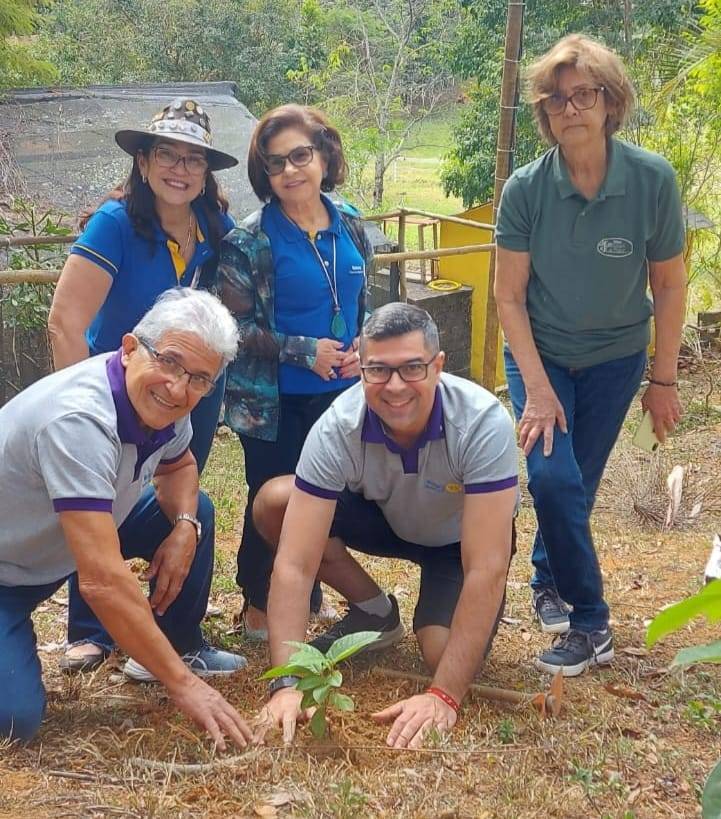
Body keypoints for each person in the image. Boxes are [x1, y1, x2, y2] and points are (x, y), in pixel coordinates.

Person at [494, 34, 686, 676]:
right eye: (557, 99)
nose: (571, 108)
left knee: (577, 482)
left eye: (585, 95)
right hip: (539, 352)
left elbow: (667, 283)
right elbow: (510, 298)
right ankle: (590, 620)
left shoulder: (651, 179)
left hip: (616, 356)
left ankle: (548, 575)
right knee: (551, 476)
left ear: (610, 102)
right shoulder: (526, 189)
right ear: (545, 114)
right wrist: (539, 390)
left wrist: (663, 379)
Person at [251, 303, 519, 749]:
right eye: (378, 370)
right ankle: (375, 613)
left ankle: (431, 635)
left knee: (440, 654)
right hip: (386, 517)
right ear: (361, 371)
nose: (395, 387)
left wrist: (444, 695)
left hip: (456, 541)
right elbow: (295, 564)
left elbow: (487, 566)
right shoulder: (338, 425)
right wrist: (287, 685)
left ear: (437, 366)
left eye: (412, 368)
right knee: (277, 501)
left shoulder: (482, 421)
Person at [0, 288, 250, 746]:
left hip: (52, 548)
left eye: (199, 378)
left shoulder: (168, 406)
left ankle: (175, 646)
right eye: (169, 362)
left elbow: (181, 466)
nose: (178, 387)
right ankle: (173, 668)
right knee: (14, 721)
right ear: (131, 347)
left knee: (199, 511)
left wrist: (184, 527)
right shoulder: (79, 420)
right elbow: (101, 582)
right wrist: (185, 688)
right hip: (8, 570)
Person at [47, 98, 237, 672]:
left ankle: (173, 633)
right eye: (167, 155)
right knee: (101, 495)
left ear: (206, 172)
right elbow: (65, 322)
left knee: (183, 500)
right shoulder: (117, 223)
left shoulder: (213, 227)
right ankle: (90, 630)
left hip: (192, 389)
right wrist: (79, 405)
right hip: (118, 389)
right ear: (144, 161)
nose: (180, 170)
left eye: (193, 160)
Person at [216, 104, 374, 640]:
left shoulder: (349, 222)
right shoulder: (250, 239)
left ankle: (306, 589)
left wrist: (363, 347)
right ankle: (258, 601)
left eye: (300, 155)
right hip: (273, 398)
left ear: (325, 155)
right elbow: (233, 328)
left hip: (342, 393)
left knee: (323, 496)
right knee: (272, 498)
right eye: (276, 162)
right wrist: (307, 350)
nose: (290, 170)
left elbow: (364, 302)